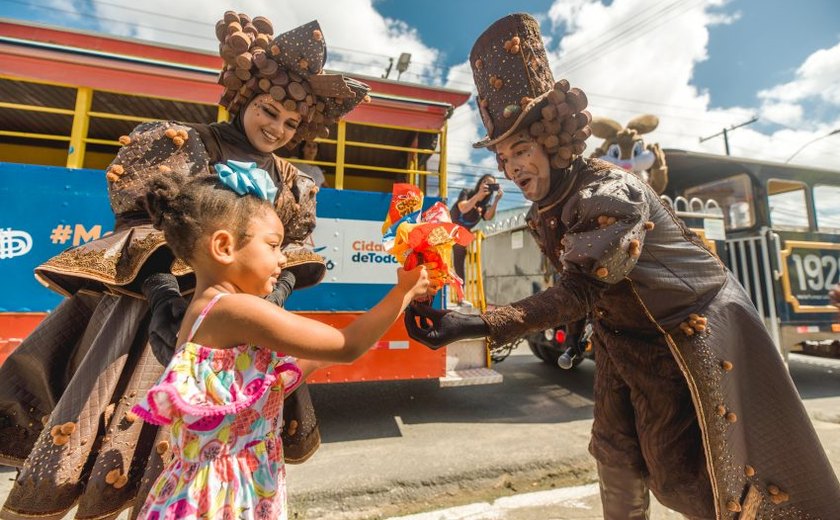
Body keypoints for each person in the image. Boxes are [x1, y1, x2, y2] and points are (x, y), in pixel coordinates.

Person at [404, 13, 840, 519]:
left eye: (520, 150)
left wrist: (479, 323)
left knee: (699, 472)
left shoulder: (609, 191)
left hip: (691, 333)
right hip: (624, 337)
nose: (512, 167)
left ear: (552, 142)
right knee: (613, 448)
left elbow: (579, 288)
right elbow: (577, 289)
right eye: (502, 158)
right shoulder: (542, 209)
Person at [0, 13, 370, 520]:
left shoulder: (292, 178)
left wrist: (274, 299)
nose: (277, 129)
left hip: (240, 324)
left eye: (290, 123)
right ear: (243, 98)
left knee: (217, 440)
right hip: (156, 316)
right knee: (118, 430)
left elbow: (296, 247)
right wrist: (161, 298)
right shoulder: (188, 142)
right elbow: (140, 223)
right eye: (269, 110)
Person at [130, 167, 428, 519]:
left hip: (219, 488)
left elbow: (262, 386)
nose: (283, 259)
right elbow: (347, 344)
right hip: (223, 498)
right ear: (224, 246)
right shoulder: (235, 309)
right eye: (273, 245)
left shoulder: (206, 310)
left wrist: (318, 356)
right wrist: (404, 291)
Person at [450, 174, 502, 283]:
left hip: (461, 236)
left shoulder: (485, 205)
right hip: (448, 228)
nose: (487, 185)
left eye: (491, 185)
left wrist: (496, 200)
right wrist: (478, 195)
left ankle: (461, 293)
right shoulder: (467, 193)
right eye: (485, 182)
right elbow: (463, 208)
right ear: (480, 183)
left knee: (459, 261)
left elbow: (488, 217)